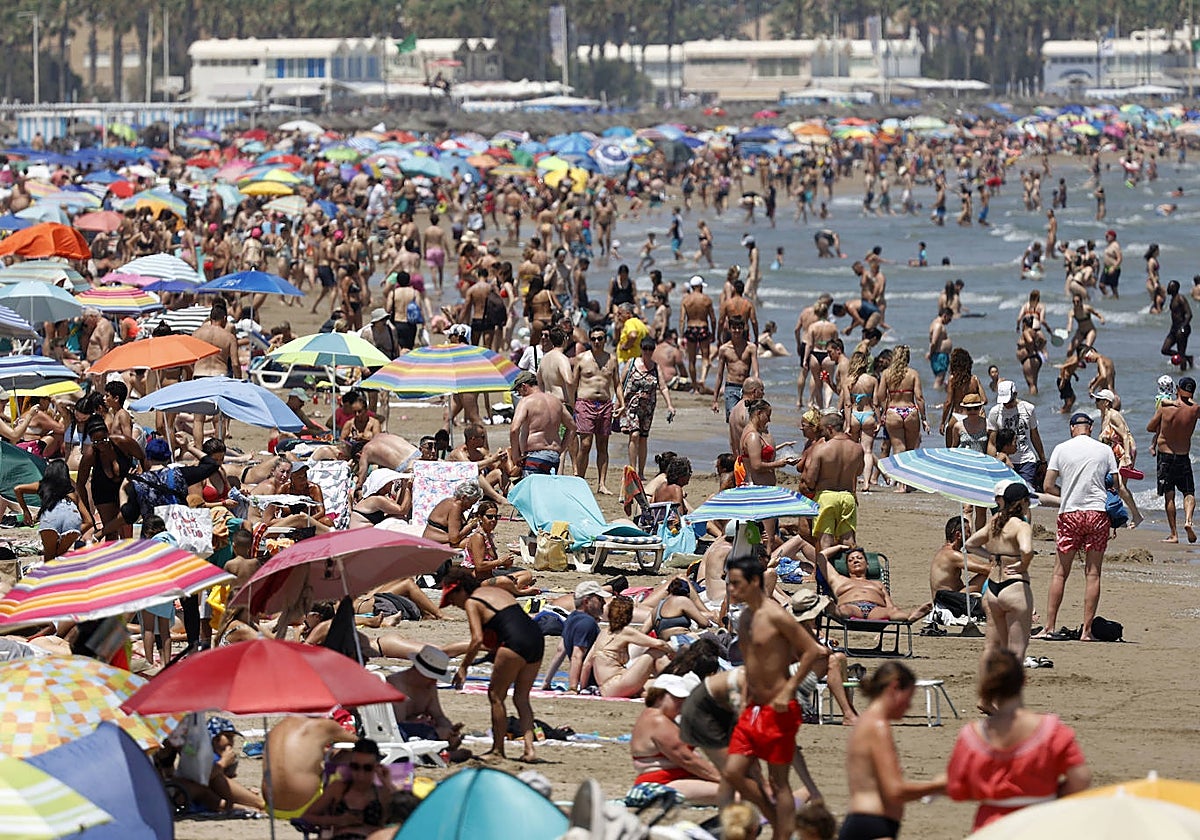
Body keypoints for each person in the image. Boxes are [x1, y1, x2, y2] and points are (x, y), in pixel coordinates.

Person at [723, 555, 827, 840]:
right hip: (752, 707)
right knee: (733, 772)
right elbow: (750, 663)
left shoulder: (776, 615)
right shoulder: (745, 617)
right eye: (728, 584)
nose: (731, 590)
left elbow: (814, 651)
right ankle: (777, 821)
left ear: (755, 582)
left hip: (778, 708)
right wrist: (744, 698)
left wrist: (790, 689)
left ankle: (781, 834)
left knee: (779, 781)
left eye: (736, 584)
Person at [946, 650, 1091, 830]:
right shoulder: (1053, 731)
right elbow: (1081, 780)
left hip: (992, 826)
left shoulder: (970, 736)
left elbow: (956, 789)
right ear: (1024, 681)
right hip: (1039, 822)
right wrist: (1051, 795)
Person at [443, 568, 543, 762]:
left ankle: (498, 750)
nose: (454, 605)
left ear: (461, 590)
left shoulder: (472, 601)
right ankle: (530, 750)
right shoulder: (496, 592)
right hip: (536, 638)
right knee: (522, 698)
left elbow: (476, 640)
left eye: (453, 599)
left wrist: (464, 668)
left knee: (496, 696)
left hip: (514, 642)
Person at [839, 663, 946, 840]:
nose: (909, 706)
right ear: (894, 687)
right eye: (908, 698)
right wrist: (939, 785)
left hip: (865, 822)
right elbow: (895, 790)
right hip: (873, 825)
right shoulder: (877, 727)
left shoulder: (866, 723)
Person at [1037, 413, 1118, 641]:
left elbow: (1048, 485)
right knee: (1093, 574)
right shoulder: (1105, 450)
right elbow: (1117, 484)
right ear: (1090, 428)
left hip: (1070, 514)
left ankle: (1049, 627)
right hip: (1097, 514)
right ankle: (1087, 631)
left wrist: (1068, 494)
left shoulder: (1061, 449)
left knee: (1060, 573)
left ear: (1072, 428)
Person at [964, 482, 1036, 663]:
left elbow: (970, 544)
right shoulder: (1021, 526)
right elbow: (1027, 550)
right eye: (1028, 501)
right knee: (1016, 653)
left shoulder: (995, 521)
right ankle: (1009, 690)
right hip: (1014, 586)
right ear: (1022, 502)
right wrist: (1022, 565)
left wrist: (991, 556)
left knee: (991, 647)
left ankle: (986, 684)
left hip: (992, 589)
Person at [630, 673, 722, 804]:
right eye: (676, 698)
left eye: (684, 699)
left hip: (668, 780)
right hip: (664, 783)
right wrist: (722, 778)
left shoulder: (653, 717)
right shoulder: (659, 721)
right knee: (736, 794)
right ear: (659, 696)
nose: (682, 702)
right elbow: (687, 759)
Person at [301, 739, 394, 839]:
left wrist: (387, 783)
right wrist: (338, 820)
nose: (360, 774)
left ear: (376, 767)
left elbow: (407, 816)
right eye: (355, 766)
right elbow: (307, 816)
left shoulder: (383, 793)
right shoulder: (338, 788)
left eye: (367, 768)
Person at [582, 595, 672, 698]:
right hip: (617, 683)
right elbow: (659, 644)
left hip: (605, 689)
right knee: (655, 652)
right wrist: (674, 653)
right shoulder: (625, 631)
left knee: (656, 683)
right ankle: (678, 677)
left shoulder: (602, 634)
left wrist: (582, 689)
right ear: (629, 615)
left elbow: (586, 665)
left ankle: (646, 693)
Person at [1147, 376, 1200, 544]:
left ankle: (1174, 534)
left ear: (1177, 388)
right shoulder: (1196, 409)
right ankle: (1188, 520)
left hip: (1165, 455)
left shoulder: (1165, 408)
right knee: (1188, 492)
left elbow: (1149, 428)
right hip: (1184, 456)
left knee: (1169, 495)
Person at [815, 546, 932, 622]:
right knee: (843, 609)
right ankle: (833, 610)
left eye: (859, 558)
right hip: (851, 608)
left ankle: (909, 617)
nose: (855, 560)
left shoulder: (877, 584)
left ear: (868, 564)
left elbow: (889, 604)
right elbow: (821, 557)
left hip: (876, 611)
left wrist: (893, 610)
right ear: (847, 567)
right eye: (850, 560)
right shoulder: (839, 580)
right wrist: (840, 547)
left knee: (893, 611)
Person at [384, 645, 466, 754]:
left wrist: (449, 730)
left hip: (412, 732)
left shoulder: (428, 686)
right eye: (432, 677)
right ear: (421, 672)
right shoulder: (397, 685)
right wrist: (432, 730)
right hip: (394, 734)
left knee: (444, 734)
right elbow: (396, 725)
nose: (434, 681)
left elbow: (439, 716)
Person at [801, 410, 864, 550]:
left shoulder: (822, 449)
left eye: (823, 429)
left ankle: (824, 572)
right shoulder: (857, 448)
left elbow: (810, 480)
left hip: (826, 496)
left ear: (830, 428)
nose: (822, 433)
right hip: (847, 497)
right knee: (848, 540)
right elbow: (859, 471)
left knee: (825, 542)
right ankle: (847, 571)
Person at [573, 326, 622, 494]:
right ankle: (579, 481)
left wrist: (621, 403)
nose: (596, 342)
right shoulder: (581, 358)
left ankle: (602, 484)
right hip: (585, 403)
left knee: (603, 446)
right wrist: (570, 405)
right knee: (585, 444)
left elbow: (617, 384)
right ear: (589, 340)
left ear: (605, 340)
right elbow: (573, 383)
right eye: (593, 339)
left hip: (605, 404)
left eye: (600, 338)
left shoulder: (612, 359)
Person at [15, 459, 92, 561]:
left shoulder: (43, 485)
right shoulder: (72, 490)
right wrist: (76, 530)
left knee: (49, 558)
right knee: (59, 556)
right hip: (72, 518)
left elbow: (18, 489)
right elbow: (89, 521)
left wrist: (25, 511)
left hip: (51, 517)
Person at [621, 336, 676, 478]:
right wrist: (618, 403)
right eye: (645, 349)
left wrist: (669, 405)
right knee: (634, 435)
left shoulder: (656, 367)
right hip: (631, 406)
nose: (647, 352)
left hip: (648, 408)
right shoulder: (631, 363)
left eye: (650, 349)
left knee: (643, 438)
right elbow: (620, 384)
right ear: (641, 349)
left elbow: (663, 387)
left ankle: (641, 472)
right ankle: (632, 469)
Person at [542, 581, 610, 692]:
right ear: (586, 601)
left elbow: (561, 650)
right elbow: (577, 656)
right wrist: (573, 688)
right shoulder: (587, 622)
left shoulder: (571, 617)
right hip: (597, 680)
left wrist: (547, 681)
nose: (604, 603)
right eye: (599, 599)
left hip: (588, 679)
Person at [510, 370, 576, 477]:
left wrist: (515, 456)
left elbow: (514, 429)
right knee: (548, 491)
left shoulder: (526, 401)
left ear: (524, 386)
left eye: (519, 391)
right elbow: (572, 427)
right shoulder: (556, 401)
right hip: (553, 457)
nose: (520, 395)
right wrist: (561, 448)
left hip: (535, 457)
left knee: (534, 492)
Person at [464, 500, 537, 595]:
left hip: (489, 576)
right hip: (477, 581)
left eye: (496, 517)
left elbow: (492, 563)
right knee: (504, 580)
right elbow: (480, 566)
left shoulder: (487, 535)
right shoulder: (478, 537)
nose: (493, 520)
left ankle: (509, 589)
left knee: (527, 575)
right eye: (489, 517)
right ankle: (518, 592)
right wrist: (500, 561)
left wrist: (506, 564)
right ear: (480, 517)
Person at [987, 380, 1046, 485]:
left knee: (1025, 490)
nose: (1006, 405)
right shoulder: (995, 412)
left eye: (1009, 401)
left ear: (1015, 394)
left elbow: (1035, 435)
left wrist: (1043, 461)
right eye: (1004, 402)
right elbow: (992, 442)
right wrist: (993, 463)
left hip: (1026, 460)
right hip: (1005, 461)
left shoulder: (1028, 409)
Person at [711, 316, 760, 421]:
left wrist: (757, 390)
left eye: (739, 328)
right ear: (730, 328)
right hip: (731, 388)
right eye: (734, 328)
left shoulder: (751, 348)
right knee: (733, 420)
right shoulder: (724, 349)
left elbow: (756, 372)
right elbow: (719, 375)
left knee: (747, 420)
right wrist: (715, 400)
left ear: (743, 329)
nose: (737, 331)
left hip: (747, 388)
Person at [681, 276, 717, 393]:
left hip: (691, 328)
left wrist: (681, 335)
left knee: (691, 359)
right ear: (700, 286)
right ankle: (702, 379)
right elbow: (713, 319)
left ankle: (695, 386)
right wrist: (714, 333)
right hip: (703, 327)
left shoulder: (686, 300)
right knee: (705, 357)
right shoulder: (706, 299)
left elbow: (682, 319)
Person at [422, 480, 482, 547]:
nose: (470, 507)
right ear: (464, 497)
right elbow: (454, 538)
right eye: (470, 503)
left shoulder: (449, 501)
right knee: (477, 541)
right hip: (435, 543)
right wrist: (470, 526)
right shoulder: (455, 506)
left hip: (433, 540)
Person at [1163, 279, 1194, 370]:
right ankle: (1188, 358)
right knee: (1165, 349)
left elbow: (1189, 314)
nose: (1168, 288)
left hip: (1182, 328)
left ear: (1175, 288)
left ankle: (1182, 374)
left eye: (1170, 286)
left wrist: (1183, 327)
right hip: (1174, 328)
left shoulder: (1180, 298)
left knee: (1181, 353)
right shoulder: (1173, 299)